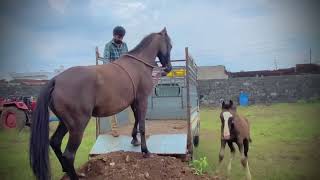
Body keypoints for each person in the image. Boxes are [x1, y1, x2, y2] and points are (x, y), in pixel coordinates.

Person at [103, 26, 128, 137]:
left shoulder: (125, 45)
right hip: (113, 76)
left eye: (122, 37)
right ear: (114, 35)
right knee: (112, 103)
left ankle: (135, 127)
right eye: (119, 36)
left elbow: (128, 59)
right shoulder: (108, 46)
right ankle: (114, 129)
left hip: (124, 76)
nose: (120, 39)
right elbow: (106, 62)